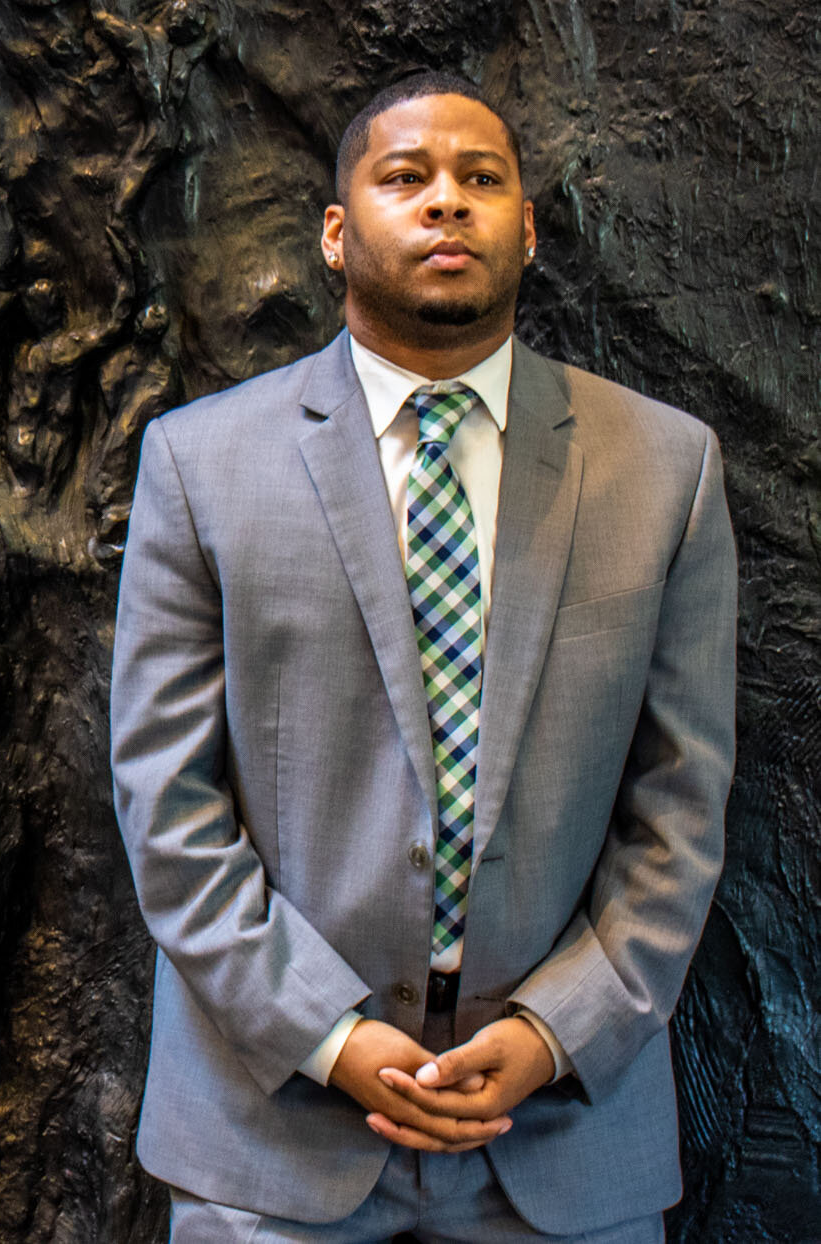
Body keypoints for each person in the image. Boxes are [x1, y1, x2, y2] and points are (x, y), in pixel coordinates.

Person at [110, 71, 737, 1242]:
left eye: (481, 179)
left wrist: (558, 1030)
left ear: (530, 231)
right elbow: (166, 804)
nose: (446, 202)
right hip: (274, 1126)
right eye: (407, 178)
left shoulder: (665, 469)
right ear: (338, 237)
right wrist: (329, 1037)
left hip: (559, 1134)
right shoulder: (200, 465)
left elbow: (682, 806)